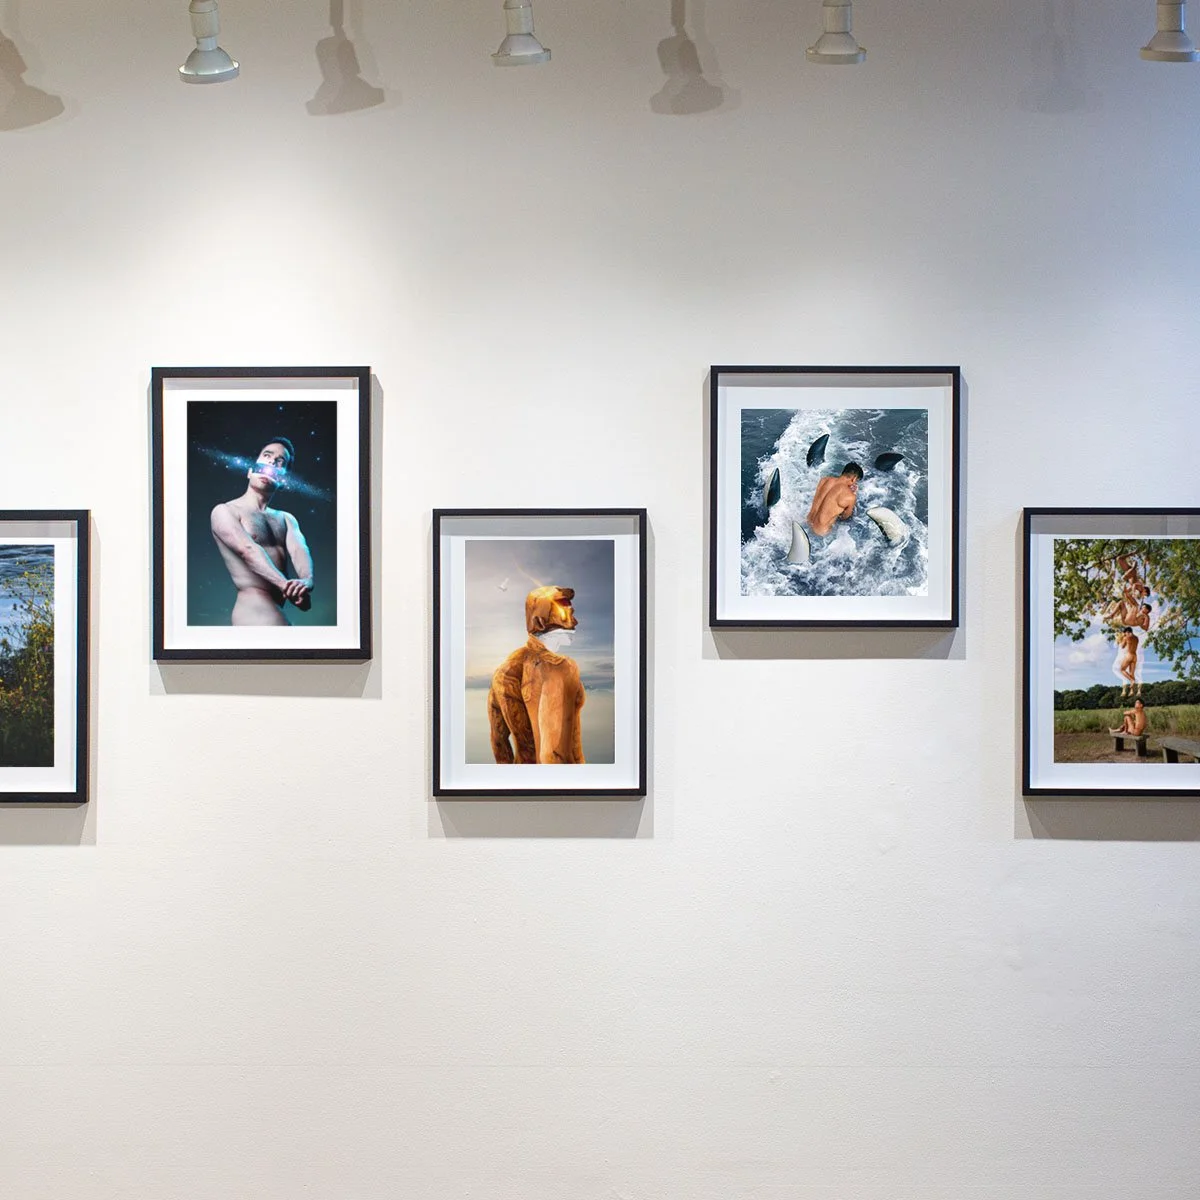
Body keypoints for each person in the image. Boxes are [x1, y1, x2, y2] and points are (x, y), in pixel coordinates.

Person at [209, 438, 315, 626]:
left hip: (276, 607)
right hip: (254, 607)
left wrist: (306, 582)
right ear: (250, 471)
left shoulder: (287, 519)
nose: (272, 462)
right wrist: (286, 587)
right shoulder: (225, 511)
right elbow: (248, 550)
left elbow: (300, 550)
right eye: (267, 456)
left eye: (280, 461)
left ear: (282, 480)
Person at [487, 585, 586, 765]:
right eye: (565, 615)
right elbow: (554, 755)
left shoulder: (505, 669)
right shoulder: (561, 667)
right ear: (540, 622)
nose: (575, 622)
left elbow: (498, 742)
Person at [806, 462, 863, 537]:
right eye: (856, 480)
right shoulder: (850, 496)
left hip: (808, 523)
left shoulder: (824, 480)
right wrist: (853, 494)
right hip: (821, 533)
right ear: (854, 478)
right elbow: (845, 517)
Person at [1112, 627, 1141, 697]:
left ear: (1127, 632)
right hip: (1135, 656)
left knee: (1122, 669)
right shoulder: (1136, 638)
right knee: (1132, 673)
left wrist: (1121, 639)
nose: (1125, 634)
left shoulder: (1126, 637)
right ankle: (1132, 691)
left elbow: (1122, 646)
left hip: (1129, 655)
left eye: (1125, 633)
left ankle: (1132, 680)